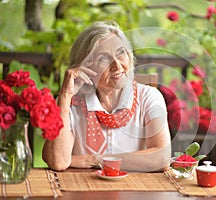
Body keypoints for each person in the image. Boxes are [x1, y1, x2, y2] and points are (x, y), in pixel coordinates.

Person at [42, 21, 171, 172]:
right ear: (85, 67)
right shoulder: (70, 102)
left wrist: (95, 159)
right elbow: (58, 161)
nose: (117, 65)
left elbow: (161, 158)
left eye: (121, 53)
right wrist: (64, 96)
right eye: (103, 58)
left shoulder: (149, 98)